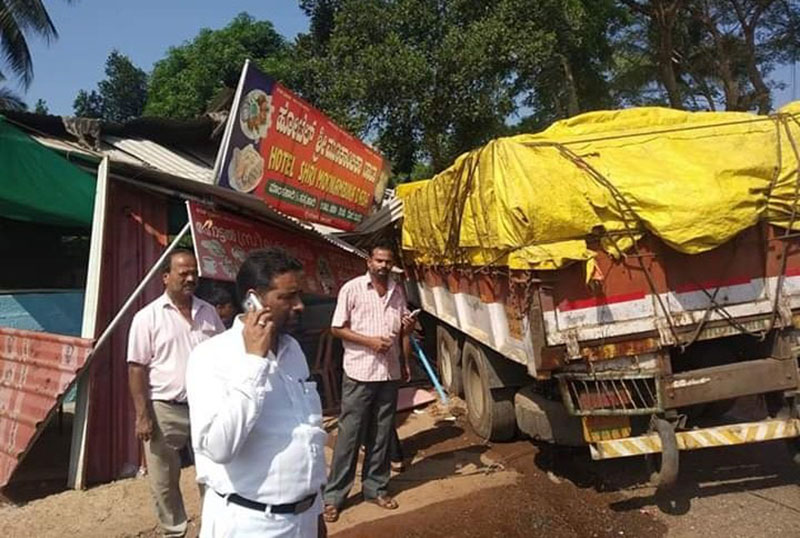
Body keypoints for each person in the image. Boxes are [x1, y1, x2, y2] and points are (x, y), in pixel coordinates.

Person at [186, 247, 328, 538]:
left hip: (305, 519)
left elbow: (306, 432)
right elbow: (218, 447)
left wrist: (315, 508)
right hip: (251, 523)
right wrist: (254, 364)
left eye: (299, 295)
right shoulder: (211, 356)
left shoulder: (293, 351)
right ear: (253, 300)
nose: (299, 305)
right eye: (287, 297)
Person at [127, 248, 225, 538]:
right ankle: (174, 530)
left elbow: (223, 354)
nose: (190, 278)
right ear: (166, 277)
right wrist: (142, 415)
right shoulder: (147, 317)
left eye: (194, 273)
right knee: (164, 478)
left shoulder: (208, 312)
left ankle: (213, 528)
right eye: (183, 273)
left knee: (212, 473)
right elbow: (136, 368)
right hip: (165, 409)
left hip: (206, 407)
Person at [323, 241, 416, 522]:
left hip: (388, 372)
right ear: (369, 262)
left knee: (382, 433)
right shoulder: (352, 289)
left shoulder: (397, 291)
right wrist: (370, 342)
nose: (383, 266)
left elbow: (402, 330)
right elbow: (337, 328)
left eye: (388, 262)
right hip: (360, 372)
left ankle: (375, 488)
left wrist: (406, 355)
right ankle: (334, 496)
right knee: (349, 435)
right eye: (379, 261)